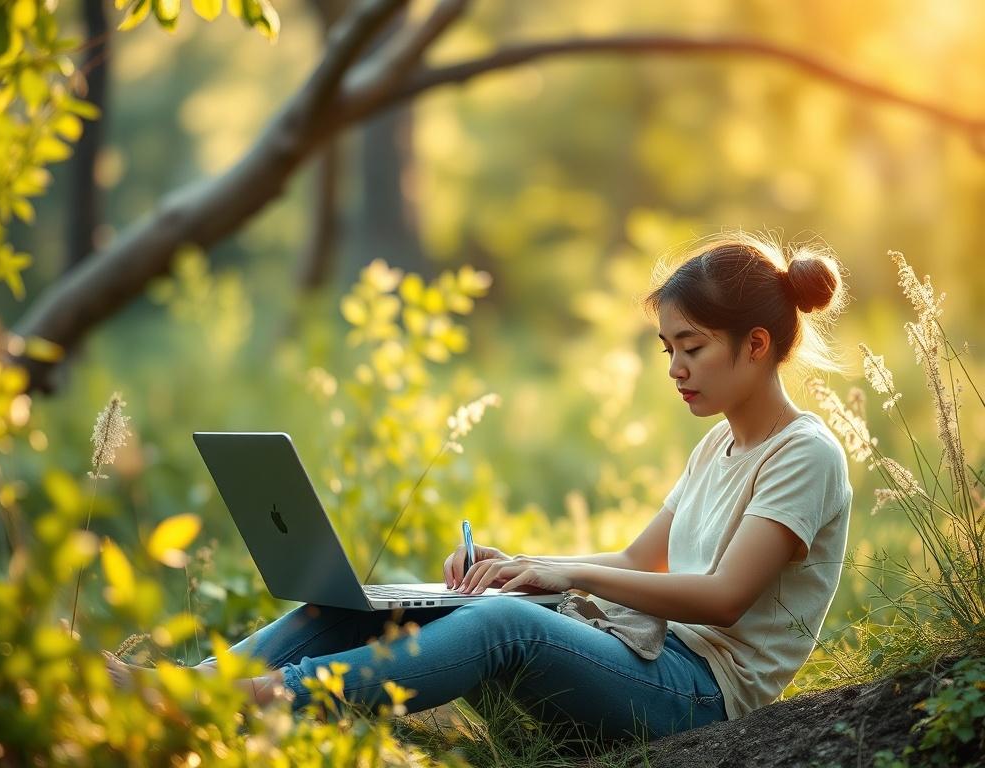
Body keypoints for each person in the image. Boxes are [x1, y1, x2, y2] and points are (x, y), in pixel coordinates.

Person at [105, 233, 853, 742]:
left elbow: (724, 596)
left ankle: (262, 700)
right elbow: (638, 563)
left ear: (755, 345)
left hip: (702, 698)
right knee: (390, 601)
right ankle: (199, 683)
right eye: (668, 349)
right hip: (646, 662)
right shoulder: (718, 444)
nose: (675, 369)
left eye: (691, 348)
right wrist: (523, 565)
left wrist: (561, 575)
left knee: (503, 626)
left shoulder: (804, 455)